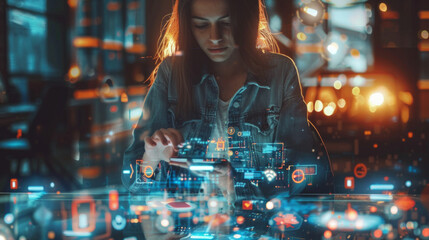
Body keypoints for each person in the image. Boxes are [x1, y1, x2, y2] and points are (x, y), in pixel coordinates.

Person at [122, 0, 333, 204]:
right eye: (201, 25)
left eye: (226, 22)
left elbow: (301, 173)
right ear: (188, 26)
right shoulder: (172, 74)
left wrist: (237, 185)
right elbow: (132, 182)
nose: (215, 38)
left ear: (246, 21)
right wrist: (151, 159)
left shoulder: (280, 74)